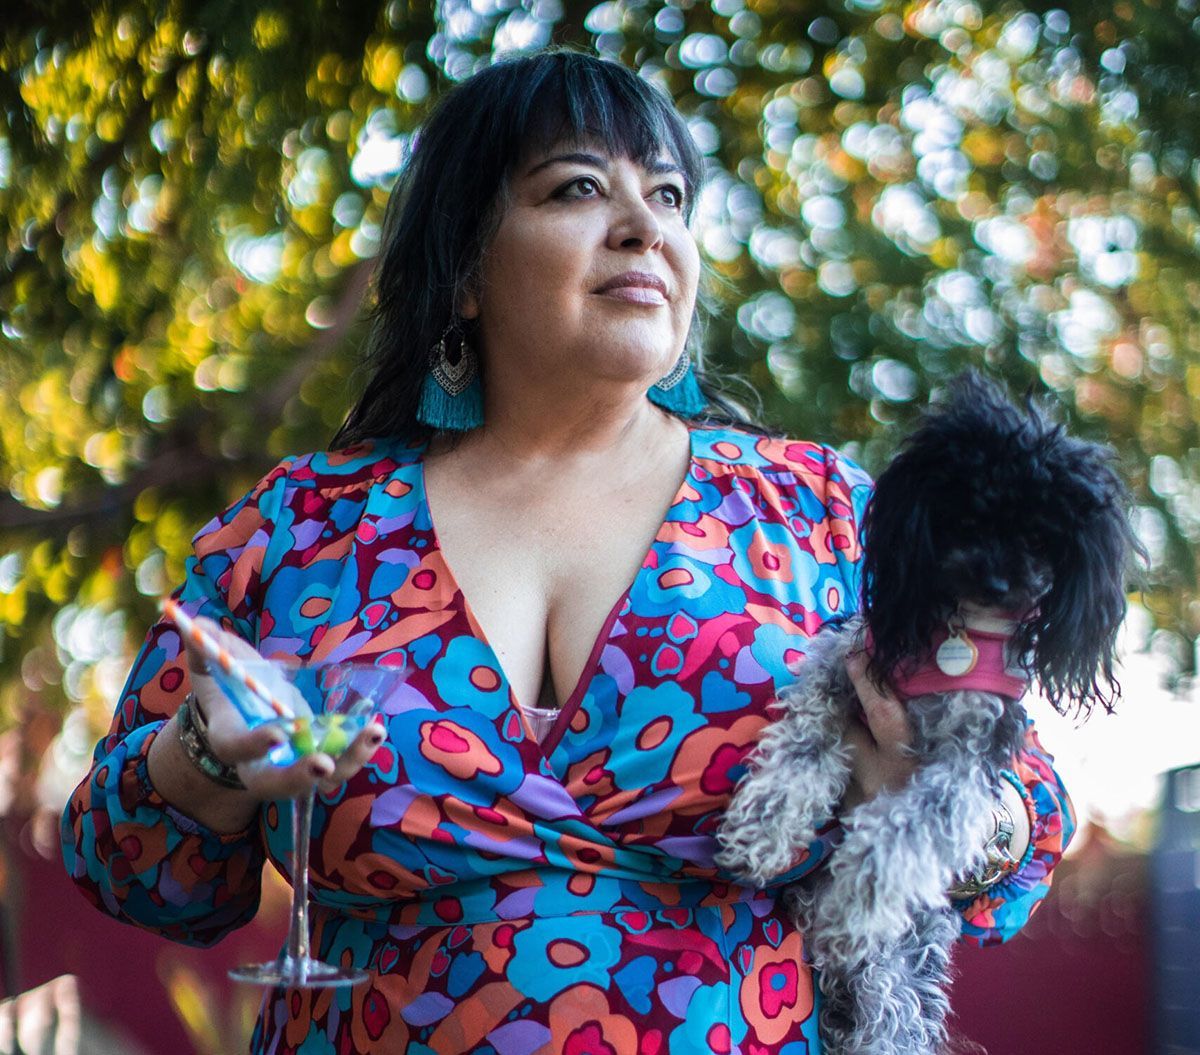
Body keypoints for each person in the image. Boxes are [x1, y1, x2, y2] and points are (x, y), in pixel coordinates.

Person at [61, 49, 1073, 1054]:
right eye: (578, 187)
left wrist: (921, 788)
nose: (645, 227)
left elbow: (1025, 832)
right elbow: (132, 869)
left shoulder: (824, 515)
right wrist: (203, 758)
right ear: (463, 269)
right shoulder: (301, 532)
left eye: (669, 196)